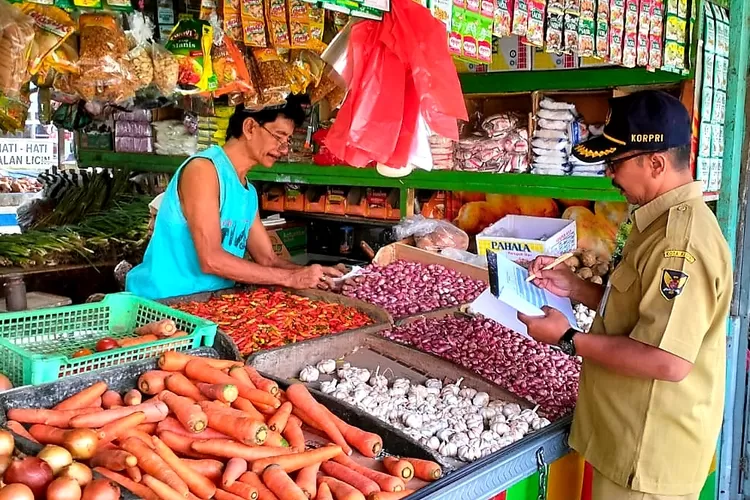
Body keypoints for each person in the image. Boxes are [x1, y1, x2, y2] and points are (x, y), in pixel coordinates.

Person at [518, 90, 732, 500]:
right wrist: (577, 287)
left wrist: (568, 339)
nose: (609, 177)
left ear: (655, 162)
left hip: (648, 456)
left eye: (615, 164)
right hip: (629, 440)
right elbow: (640, 311)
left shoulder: (681, 243)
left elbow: (668, 361)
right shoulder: (656, 221)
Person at [126, 97, 342, 300]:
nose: (284, 149)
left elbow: (268, 259)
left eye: (287, 140)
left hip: (209, 304)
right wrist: (290, 278)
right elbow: (211, 260)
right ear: (249, 127)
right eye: (278, 136)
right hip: (165, 304)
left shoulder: (248, 193)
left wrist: (316, 274)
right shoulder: (204, 170)